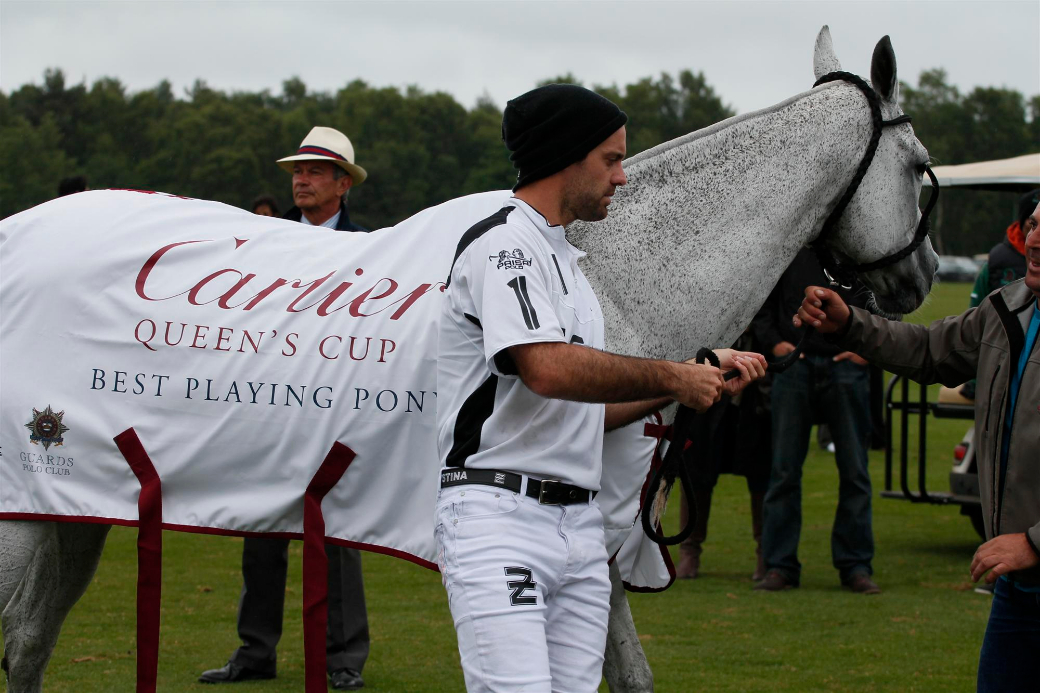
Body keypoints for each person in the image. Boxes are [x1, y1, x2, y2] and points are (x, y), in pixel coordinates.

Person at [434, 83, 767, 692]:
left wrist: (696, 373)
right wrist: (670, 373)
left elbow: (584, 409)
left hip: (576, 527)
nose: (622, 176)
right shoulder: (504, 245)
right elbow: (547, 368)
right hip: (498, 515)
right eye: (611, 159)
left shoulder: (566, 261)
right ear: (566, 155)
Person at [794, 201, 1039, 693]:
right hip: (1019, 590)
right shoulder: (1007, 309)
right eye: (1034, 225)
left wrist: (1034, 542)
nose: (1035, 240)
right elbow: (929, 351)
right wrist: (849, 324)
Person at [200, 126, 370, 691]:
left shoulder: (370, 250)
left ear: (342, 184)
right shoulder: (265, 244)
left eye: (314, 171)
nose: (300, 179)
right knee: (262, 531)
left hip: (338, 410)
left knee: (339, 539)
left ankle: (342, 661)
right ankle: (255, 653)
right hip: (273, 408)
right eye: (297, 171)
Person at [752, 248, 880, 594]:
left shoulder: (860, 246)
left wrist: (865, 351)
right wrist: (774, 343)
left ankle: (855, 565)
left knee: (855, 471)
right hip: (795, 365)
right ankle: (779, 565)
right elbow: (760, 296)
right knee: (784, 472)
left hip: (846, 366)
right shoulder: (794, 243)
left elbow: (888, 293)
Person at [676, 328, 772, 581]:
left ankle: (766, 552)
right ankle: (689, 550)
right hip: (708, 366)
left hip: (759, 380)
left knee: (762, 469)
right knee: (696, 467)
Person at [278, 126, 368, 231]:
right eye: (297, 172)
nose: (301, 181)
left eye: (315, 173)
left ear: (343, 185)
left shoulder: (363, 244)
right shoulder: (271, 239)